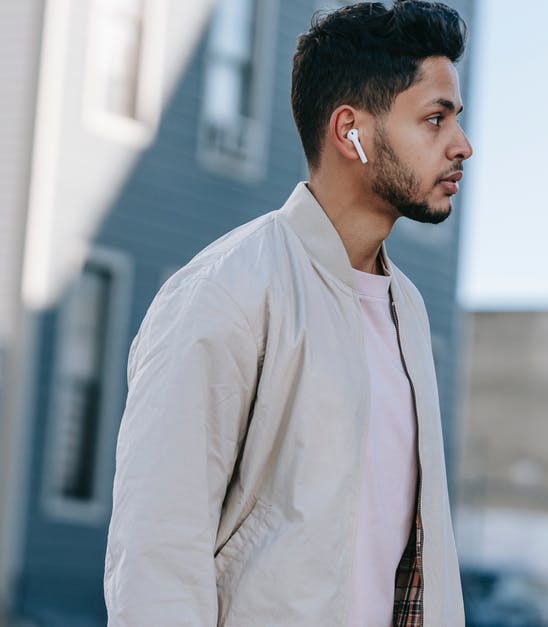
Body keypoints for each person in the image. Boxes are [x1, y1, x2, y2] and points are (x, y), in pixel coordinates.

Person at [103, 1, 472, 625]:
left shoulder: (407, 309)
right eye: (434, 120)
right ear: (349, 132)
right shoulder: (226, 292)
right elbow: (157, 555)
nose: (461, 145)